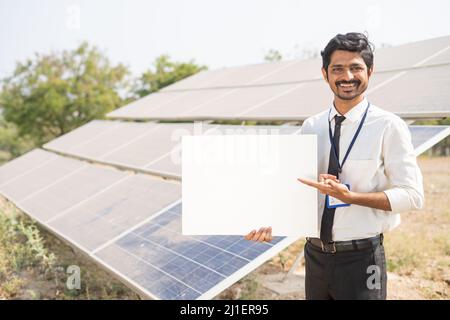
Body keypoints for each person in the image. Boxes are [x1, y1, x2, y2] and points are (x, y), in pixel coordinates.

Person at [244, 32, 424, 300]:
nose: (347, 76)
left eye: (356, 68)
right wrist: (271, 221)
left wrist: (351, 197)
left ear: (370, 71)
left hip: (362, 259)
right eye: (337, 69)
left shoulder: (389, 126)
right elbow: (300, 190)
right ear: (325, 74)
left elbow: (413, 196)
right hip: (315, 255)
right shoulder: (311, 126)